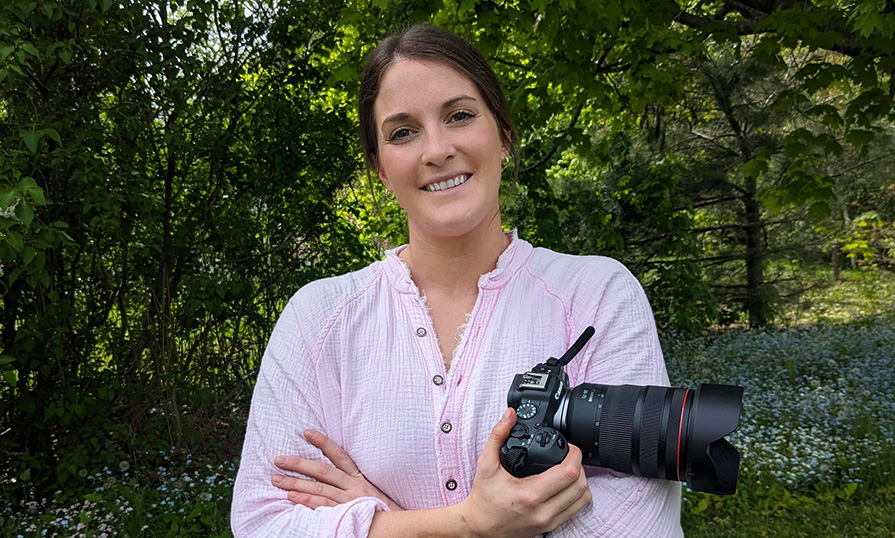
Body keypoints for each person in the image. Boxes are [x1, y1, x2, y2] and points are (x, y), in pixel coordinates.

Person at [230, 24, 683, 537]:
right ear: (379, 167)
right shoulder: (319, 319)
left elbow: (638, 525)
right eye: (403, 132)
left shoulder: (597, 296)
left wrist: (389, 520)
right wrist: (468, 524)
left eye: (460, 115)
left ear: (504, 132)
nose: (436, 149)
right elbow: (263, 523)